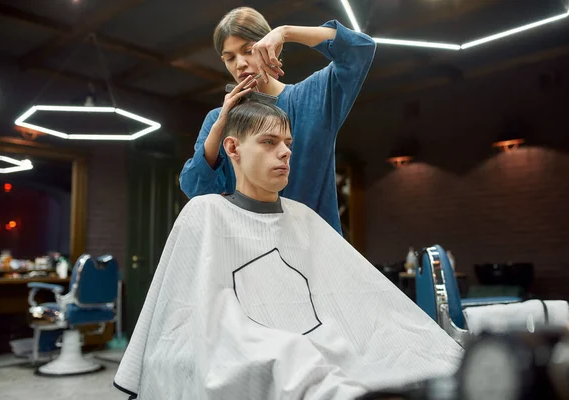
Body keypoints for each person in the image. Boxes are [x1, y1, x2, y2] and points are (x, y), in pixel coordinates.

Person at [115, 101, 463, 400]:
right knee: (289, 355)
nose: (285, 152)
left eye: (288, 143)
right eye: (268, 142)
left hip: (325, 343)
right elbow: (182, 315)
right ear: (233, 149)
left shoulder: (303, 218)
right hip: (266, 349)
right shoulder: (205, 213)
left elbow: (360, 298)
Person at [179, 6, 377, 234]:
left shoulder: (312, 97)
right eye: (229, 57)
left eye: (248, 50)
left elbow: (360, 49)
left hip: (315, 250)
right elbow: (194, 187)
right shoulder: (219, 119)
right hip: (250, 250)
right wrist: (220, 124)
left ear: (269, 45)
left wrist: (285, 32)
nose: (240, 63)